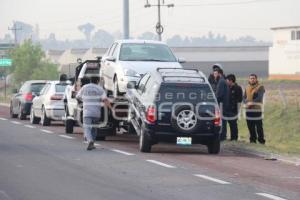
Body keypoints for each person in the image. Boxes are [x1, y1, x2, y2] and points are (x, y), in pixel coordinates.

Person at [76, 76, 112, 150]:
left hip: (86, 112)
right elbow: (105, 100)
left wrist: (83, 101)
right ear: (98, 81)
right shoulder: (100, 89)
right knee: (94, 128)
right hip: (96, 112)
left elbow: (78, 96)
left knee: (87, 127)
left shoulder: (84, 87)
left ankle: (90, 141)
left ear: (90, 80)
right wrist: (111, 109)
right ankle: (92, 142)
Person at [243, 74, 266, 144]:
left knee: (259, 126)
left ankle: (261, 141)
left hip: (257, 109)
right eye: (251, 78)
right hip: (248, 110)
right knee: (250, 126)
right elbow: (244, 97)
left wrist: (251, 103)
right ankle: (253, 140)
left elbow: (259, 98)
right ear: (249, 79)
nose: (252, 79)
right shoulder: (247, 87)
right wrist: (245, 102)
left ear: (256, 79)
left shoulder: (260, 87)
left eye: (253, 78)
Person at [225, 74, 243, 141]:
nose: (226, 82)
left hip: (234, 110)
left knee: (233, 124)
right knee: (229, 124)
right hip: (228, 110)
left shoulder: (238, 88)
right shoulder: (227, 87)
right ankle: (230, 137)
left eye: (227, 80)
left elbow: (239, 100)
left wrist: (236, 109)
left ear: (231, 81)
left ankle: (234, 138)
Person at [215, 67, 229, 141]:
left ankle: (222, 136)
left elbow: (219, 95)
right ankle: (223, 135)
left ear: (219, 74)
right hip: (225, 104)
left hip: (221, 105)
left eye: (216, 74)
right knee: (223, 120)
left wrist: (215, 102)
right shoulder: (223, 81)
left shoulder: (221, 81)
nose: (215, 75)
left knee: (222, 121)